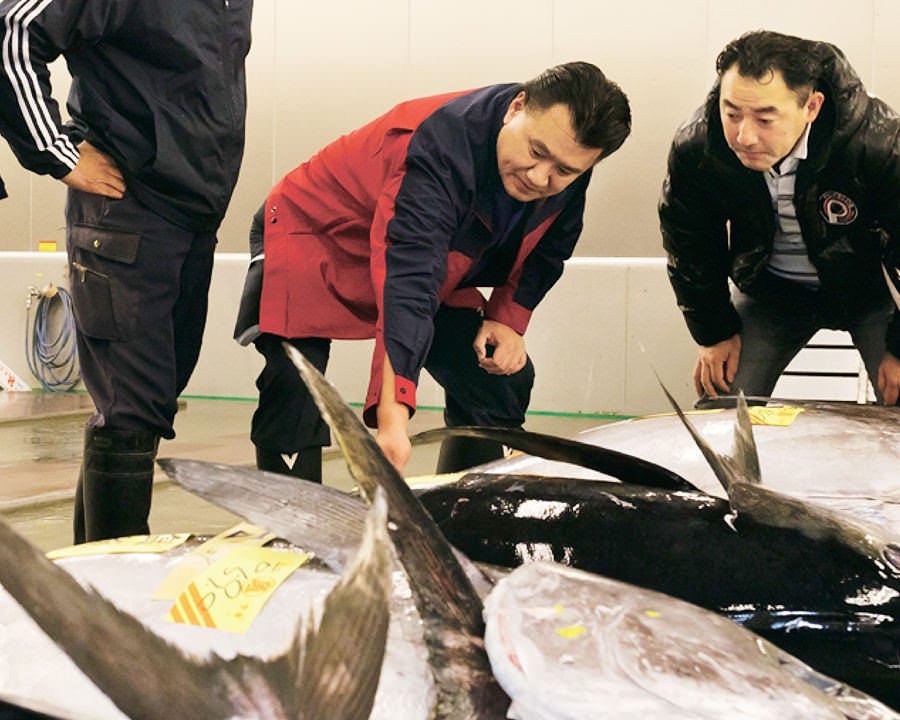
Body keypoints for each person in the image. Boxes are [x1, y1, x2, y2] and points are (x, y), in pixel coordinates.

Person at [234, 61, 631, 480]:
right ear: (516, 107)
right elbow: (408, 281)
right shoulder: (438, 145)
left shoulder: (567, 163)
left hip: (429, 257)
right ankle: (292, 518)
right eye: (535, 152)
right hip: (316, 232)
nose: (539, 176)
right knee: (296, 380)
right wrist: (393, 421)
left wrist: (506, 319)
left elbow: (549, 249)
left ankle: (463, 508)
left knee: (498, 377)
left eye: (564, 171)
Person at [0, 0, 254, 543]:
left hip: (193, 216)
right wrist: (58, 153)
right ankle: (116, 582)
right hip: (128, 208)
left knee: (148, 407)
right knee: (131, 410)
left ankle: (93, 571)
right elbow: (12, 31)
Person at [659, 30, 900, 405]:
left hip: (866, 291)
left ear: (812, 107)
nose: (744, 136)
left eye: (765, 119)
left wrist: (899, 347)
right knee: (720, 407)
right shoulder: (699, 146)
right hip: (771, 293)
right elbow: (690, 244)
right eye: (732, 113)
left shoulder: (880, 143)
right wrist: (714, 333)